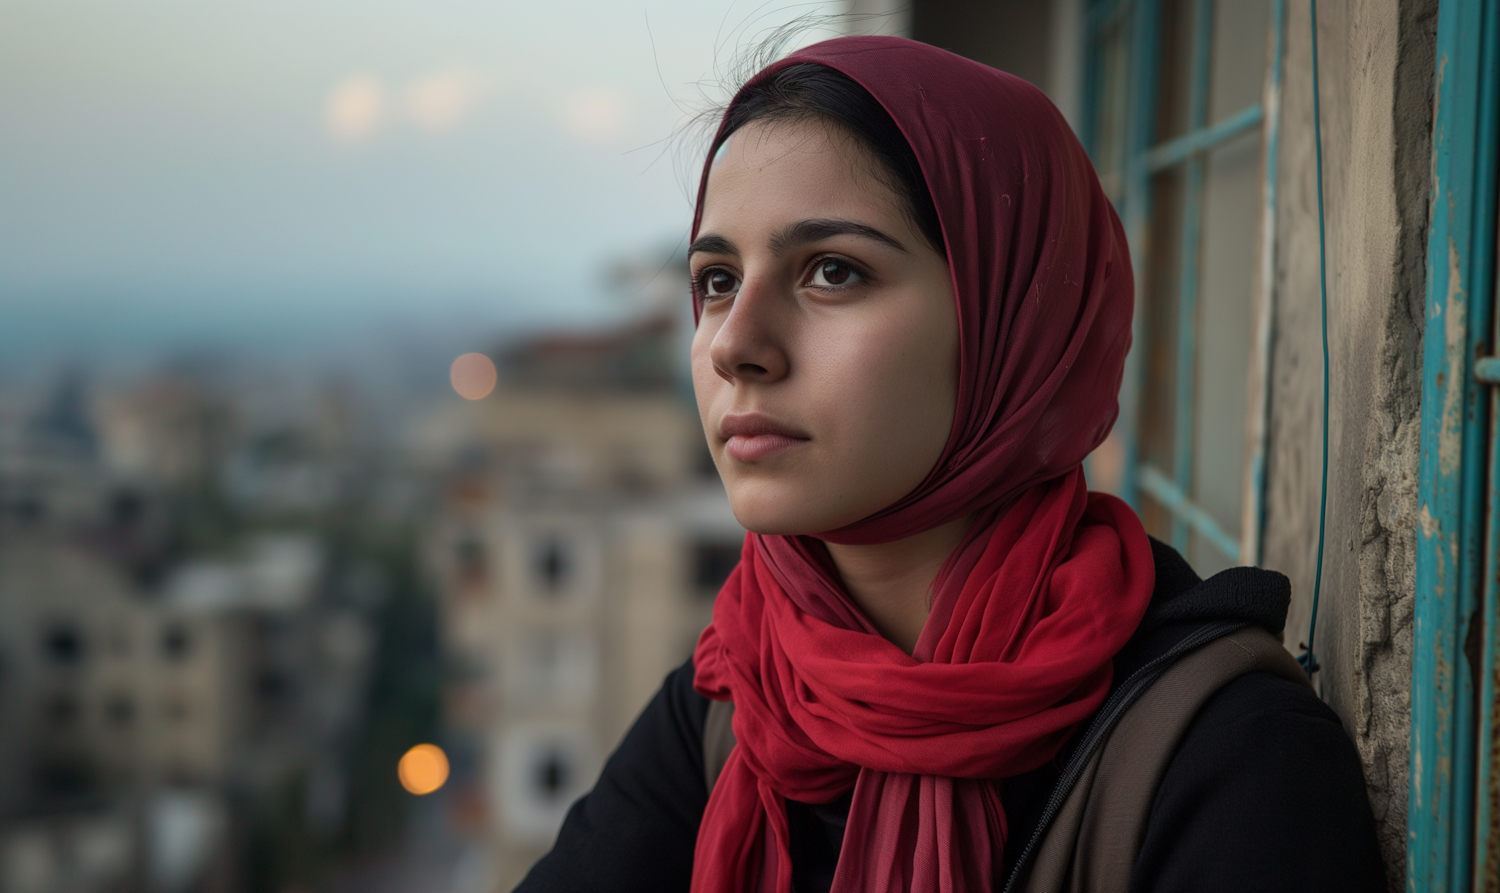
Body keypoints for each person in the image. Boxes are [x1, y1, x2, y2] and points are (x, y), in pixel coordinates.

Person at [516, 36, 1384, 893]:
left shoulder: (1227, 762)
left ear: (1016, 323)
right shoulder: (736, 696)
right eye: (715, 279)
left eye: (831, 271)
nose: (736, 344)